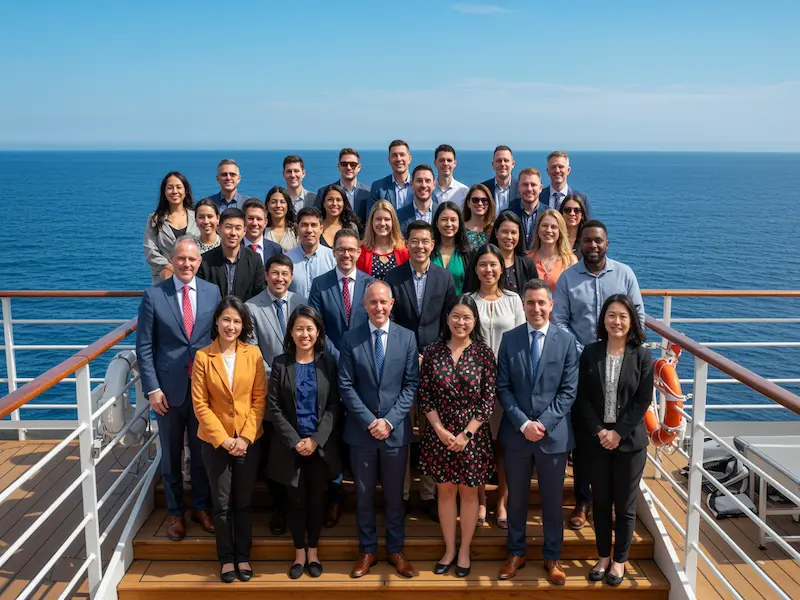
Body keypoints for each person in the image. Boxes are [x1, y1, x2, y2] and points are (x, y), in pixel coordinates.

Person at [552, 220, 645, 532]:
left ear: (607, 243)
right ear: (580, 245)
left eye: (598, 241)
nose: (593, 246)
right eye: (588, 241)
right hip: (583, 365)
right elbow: (560, 320)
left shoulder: (625, 274)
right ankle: (583, 500)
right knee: (585, 438)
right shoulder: (568, 278)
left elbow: (638, 316)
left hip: (620, 365)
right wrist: (585, 351)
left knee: (617, 429)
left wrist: (617, 349)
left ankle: (618, 503)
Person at [496, 279, 579, 585]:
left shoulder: (566, 341)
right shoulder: (510, 339)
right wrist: (523, 423)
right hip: (517, 435)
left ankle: (552, 556)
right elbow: (502, 387)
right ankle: (515, 553)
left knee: (552, 501)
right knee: (516, 498)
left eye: (541, 302)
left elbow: (569, 391)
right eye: (530, 303)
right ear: (523, 306)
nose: (536, 308)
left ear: (551, 305)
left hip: (553, 436)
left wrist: (542, 424)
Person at [136, 237, 219, 543]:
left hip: (203, 391)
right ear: (172, 260)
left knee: (201, 454)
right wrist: (152, 388)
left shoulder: (213, 293)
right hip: (167, 392)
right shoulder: (154, 295)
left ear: (199, 262)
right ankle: (175, 513)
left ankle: (201, 507)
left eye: (192, 259)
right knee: (170, 456)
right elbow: (144, 347)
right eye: (181, 258)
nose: (186, 264)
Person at [339, 281, 420, 579]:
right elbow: (346, 385)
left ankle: (396, 549)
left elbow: (411, 384)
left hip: (395, 432)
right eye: (372, 302)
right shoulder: (351, 339)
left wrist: (389, 420)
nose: (378, 307)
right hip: (362, 433)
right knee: (362, 495)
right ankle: (368, 549)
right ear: (364, 305)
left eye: (383, 302)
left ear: (392, 303)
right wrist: (369, 421)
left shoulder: (407, 338)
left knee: (395, 495)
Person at [574, 295, 653, 587]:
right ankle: (603, 557)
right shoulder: (590, 353)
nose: (616, 321)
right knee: (602, 502)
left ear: (631, 321)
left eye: (622, 316)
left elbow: (643, 399)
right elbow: (581, 397)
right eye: (611, 315)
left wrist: (617, 432)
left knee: (625, 505)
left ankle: (620, 560)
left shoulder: (642, 356)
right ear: (603, 320)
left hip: (629, 443)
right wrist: (599, 431)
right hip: (596, 441)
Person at [418, 295, 496, 578]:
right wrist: (439, 431)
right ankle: (449, 548)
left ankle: (465, 550)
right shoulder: (433, 351)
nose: (460, 322)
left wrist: (465, 434)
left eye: (467, 317)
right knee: (446, 491)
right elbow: (425, 395)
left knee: (468, 491)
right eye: (455, 316)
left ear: (474, 321)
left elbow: (488, 400)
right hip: (439, 433)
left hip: (471, 436)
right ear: (447, 318)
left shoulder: (483, 354)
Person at [384, 220, 457, 521]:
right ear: (407, 244)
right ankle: (401, 495)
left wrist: (434, 355)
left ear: (433, 245)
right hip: (400, 365)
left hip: (435, 365)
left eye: (425, 241)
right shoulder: (393, 276)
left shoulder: (444, 278)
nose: (420, 246)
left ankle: (428, 493)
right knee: (402, 431)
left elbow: (449, 321)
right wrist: (409, 354)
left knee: (430, 433)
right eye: (414, 241)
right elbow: (389, 320)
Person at [192, 296, 267, 583]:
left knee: (243, 503)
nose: (231, 326)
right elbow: (200, 405)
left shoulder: (254, 354)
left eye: (237, 321)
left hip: (248, 440)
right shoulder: (203, 357)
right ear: (216, 321)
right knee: (221, 503)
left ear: (243, 325)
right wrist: (224, 440)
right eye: (226, 319)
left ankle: (243, 556)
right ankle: (226, 559)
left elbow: (260, 399)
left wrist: (245, 438)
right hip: (215, 442)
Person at [266, 305, 341, 580]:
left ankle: (313, 553)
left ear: (318, 331)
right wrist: (297, 441)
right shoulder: (280, 363)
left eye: (310, 328)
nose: (304, 334)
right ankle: (299, 553)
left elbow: (334, 406)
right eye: (299, 328)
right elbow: (274, 407)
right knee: (295, 502)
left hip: (320, 448)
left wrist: (316, 439)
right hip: (291, 447)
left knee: (316, 500)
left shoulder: (328, 363)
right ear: (291, 332)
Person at [246, 253, 309, 536]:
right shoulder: (251, 308)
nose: (280, 278)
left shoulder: (301, 303)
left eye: (285, 274)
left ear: (291, 276)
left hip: (303, 395)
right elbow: (253, 355)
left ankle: (300, 509)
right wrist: (283, 378)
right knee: (275, 456)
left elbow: (310, 343)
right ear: (266, 275)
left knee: (299, 456)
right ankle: (278, 510)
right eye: (275, 273)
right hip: (270, 395)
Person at [467, 243, 525, 529]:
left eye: (493, 264)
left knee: (503, 446)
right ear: (475, 269)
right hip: (473, 387)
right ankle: (480, 501)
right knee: (477, 446)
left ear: (502, 268)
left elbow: (522, 343)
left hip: (505, 384)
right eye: (482, 265)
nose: (488, 270)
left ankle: (502, 501)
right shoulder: (466, 300)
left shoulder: (514, 300)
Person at [309, 228, 374, 360]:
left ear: (358, 252)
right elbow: (315, 326)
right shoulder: (319, 285)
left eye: (350, 250)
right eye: (341, 249)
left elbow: (376, 323)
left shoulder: (371, 285)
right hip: (329, 362)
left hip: (364, 361)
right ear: (333, 252)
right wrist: (338, 357)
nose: (346, 254)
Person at [144, 171, 201, 284]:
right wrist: (168, 267)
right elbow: (150, 249)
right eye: (170, 187)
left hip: (195, 277)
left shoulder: (197, 216)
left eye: (179, 187)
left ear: (185, 191)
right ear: (164, 192)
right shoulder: (154, 219)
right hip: (165, 279)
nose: (175, 191)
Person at [198, 208, 266, 302]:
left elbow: (259, 295)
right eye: (228, 227)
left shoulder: (255, 260)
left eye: (238, 228)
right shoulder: (205, 261)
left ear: (244, 231)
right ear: (218, 228)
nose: (233, 233)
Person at [466, 211, 539, 295]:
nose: (509, 237)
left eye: (513, 232)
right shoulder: (481, 259)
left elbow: (535, 293)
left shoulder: (527, 263)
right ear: (496, 232)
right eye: (504, 232)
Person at [286, 208, 336, 299]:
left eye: (313, 225)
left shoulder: (333, 257)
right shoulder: (287, 259)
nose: (309, 230)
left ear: (321, 229)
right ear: (297, 229)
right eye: (304, 225)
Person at [355, 200, 409, 280]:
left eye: (387, 219)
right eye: (378, 219)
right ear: (372, 222)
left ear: (393, 222)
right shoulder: (361, 251)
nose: (382, 223)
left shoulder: (404, 250)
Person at [315, 148, 372, 224]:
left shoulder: (368, 192)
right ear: (338, 166)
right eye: (344, 164)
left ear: (359, 167)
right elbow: (317, 219)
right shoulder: (323, 192)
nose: (348, 167)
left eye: (353, 164)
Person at [528, 209, 578, 291]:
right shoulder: (527, 259)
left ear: (560, 232)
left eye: (554, 227)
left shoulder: (570, 261)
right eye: (544, 225)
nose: (548, 230)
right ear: (537, 229)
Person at [431, 201, 471, 294]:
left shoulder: (468, 253)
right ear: (437, 223)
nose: (449, 224)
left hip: (459, 306)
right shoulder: (428, 251)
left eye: (453, 220)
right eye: (444, 219)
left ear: (459, 223)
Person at [542, 151, 594, 217]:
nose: (557, 170)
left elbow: (589, 226)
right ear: (547, 171)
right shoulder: (538, 197)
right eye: (553, 167)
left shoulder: (582, 199)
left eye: (561, 167)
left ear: (568, 170)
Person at [368, 139, 413, 213]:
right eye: (394, 155)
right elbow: (371, 218)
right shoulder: (378, 187)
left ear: (409, 159)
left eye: (402, 154)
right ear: (389, 160)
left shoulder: (419, 186)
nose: (398, 159)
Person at [509, 167, 545, 251]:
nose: (529, 189)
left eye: (533, 184)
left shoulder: (549, 214)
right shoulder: (507, 214)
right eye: (525, 184)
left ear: (540, 188)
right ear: (518, 187)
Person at [396, 164, 439, 232]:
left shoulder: (441, 213)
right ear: (411, 184)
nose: (423, 185)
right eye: (419, 181)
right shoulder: (398, 216)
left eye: (427, 181)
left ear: (434, 185)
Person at [241, 198, 283, 266]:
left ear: (265, 223)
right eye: (250, 218)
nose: (254, 223)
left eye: (259, 219)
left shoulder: (275, 249)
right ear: (243, 220)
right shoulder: (235, 247)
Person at [319, 183, 362, 248]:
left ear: (344, 203)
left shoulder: (351, 227)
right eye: (330, 199)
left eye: (338, 200)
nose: (334, 203)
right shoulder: (316, 227)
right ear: (324, 203)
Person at [481, 145, 520, 213]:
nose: (502, 164)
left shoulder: (521, 189)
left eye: (506, 160)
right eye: (499, 161)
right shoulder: (483, 188)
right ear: (493, 165)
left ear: (513, 164)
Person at [262, 186, 300, 252]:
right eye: (273, 202)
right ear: (268, 205)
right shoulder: (262, 230)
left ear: (288, 205)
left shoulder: (296, 230)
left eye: (282, 202)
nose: (278, 206)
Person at [462, 184, 496, 248]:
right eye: (475, 200)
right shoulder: (460, 229)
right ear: (468, 203)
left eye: (484, 200)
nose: (480, 203)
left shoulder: (495, 229)